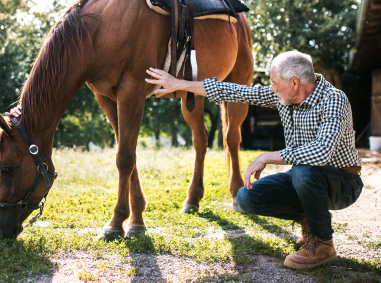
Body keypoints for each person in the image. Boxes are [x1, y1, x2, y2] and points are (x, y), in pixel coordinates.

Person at [145, 50, 363, 270]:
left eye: (275, 82)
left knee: (303, 171)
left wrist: (268, 156)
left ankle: (323, 245)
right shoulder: (283, 97)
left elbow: (321, 152)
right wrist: (179, 83)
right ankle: (310, 220)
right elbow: (234, 91)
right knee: (247, 197)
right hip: (305, 178)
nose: (272, 88)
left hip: (343, 183)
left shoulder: (334, 99)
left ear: (294, 83)